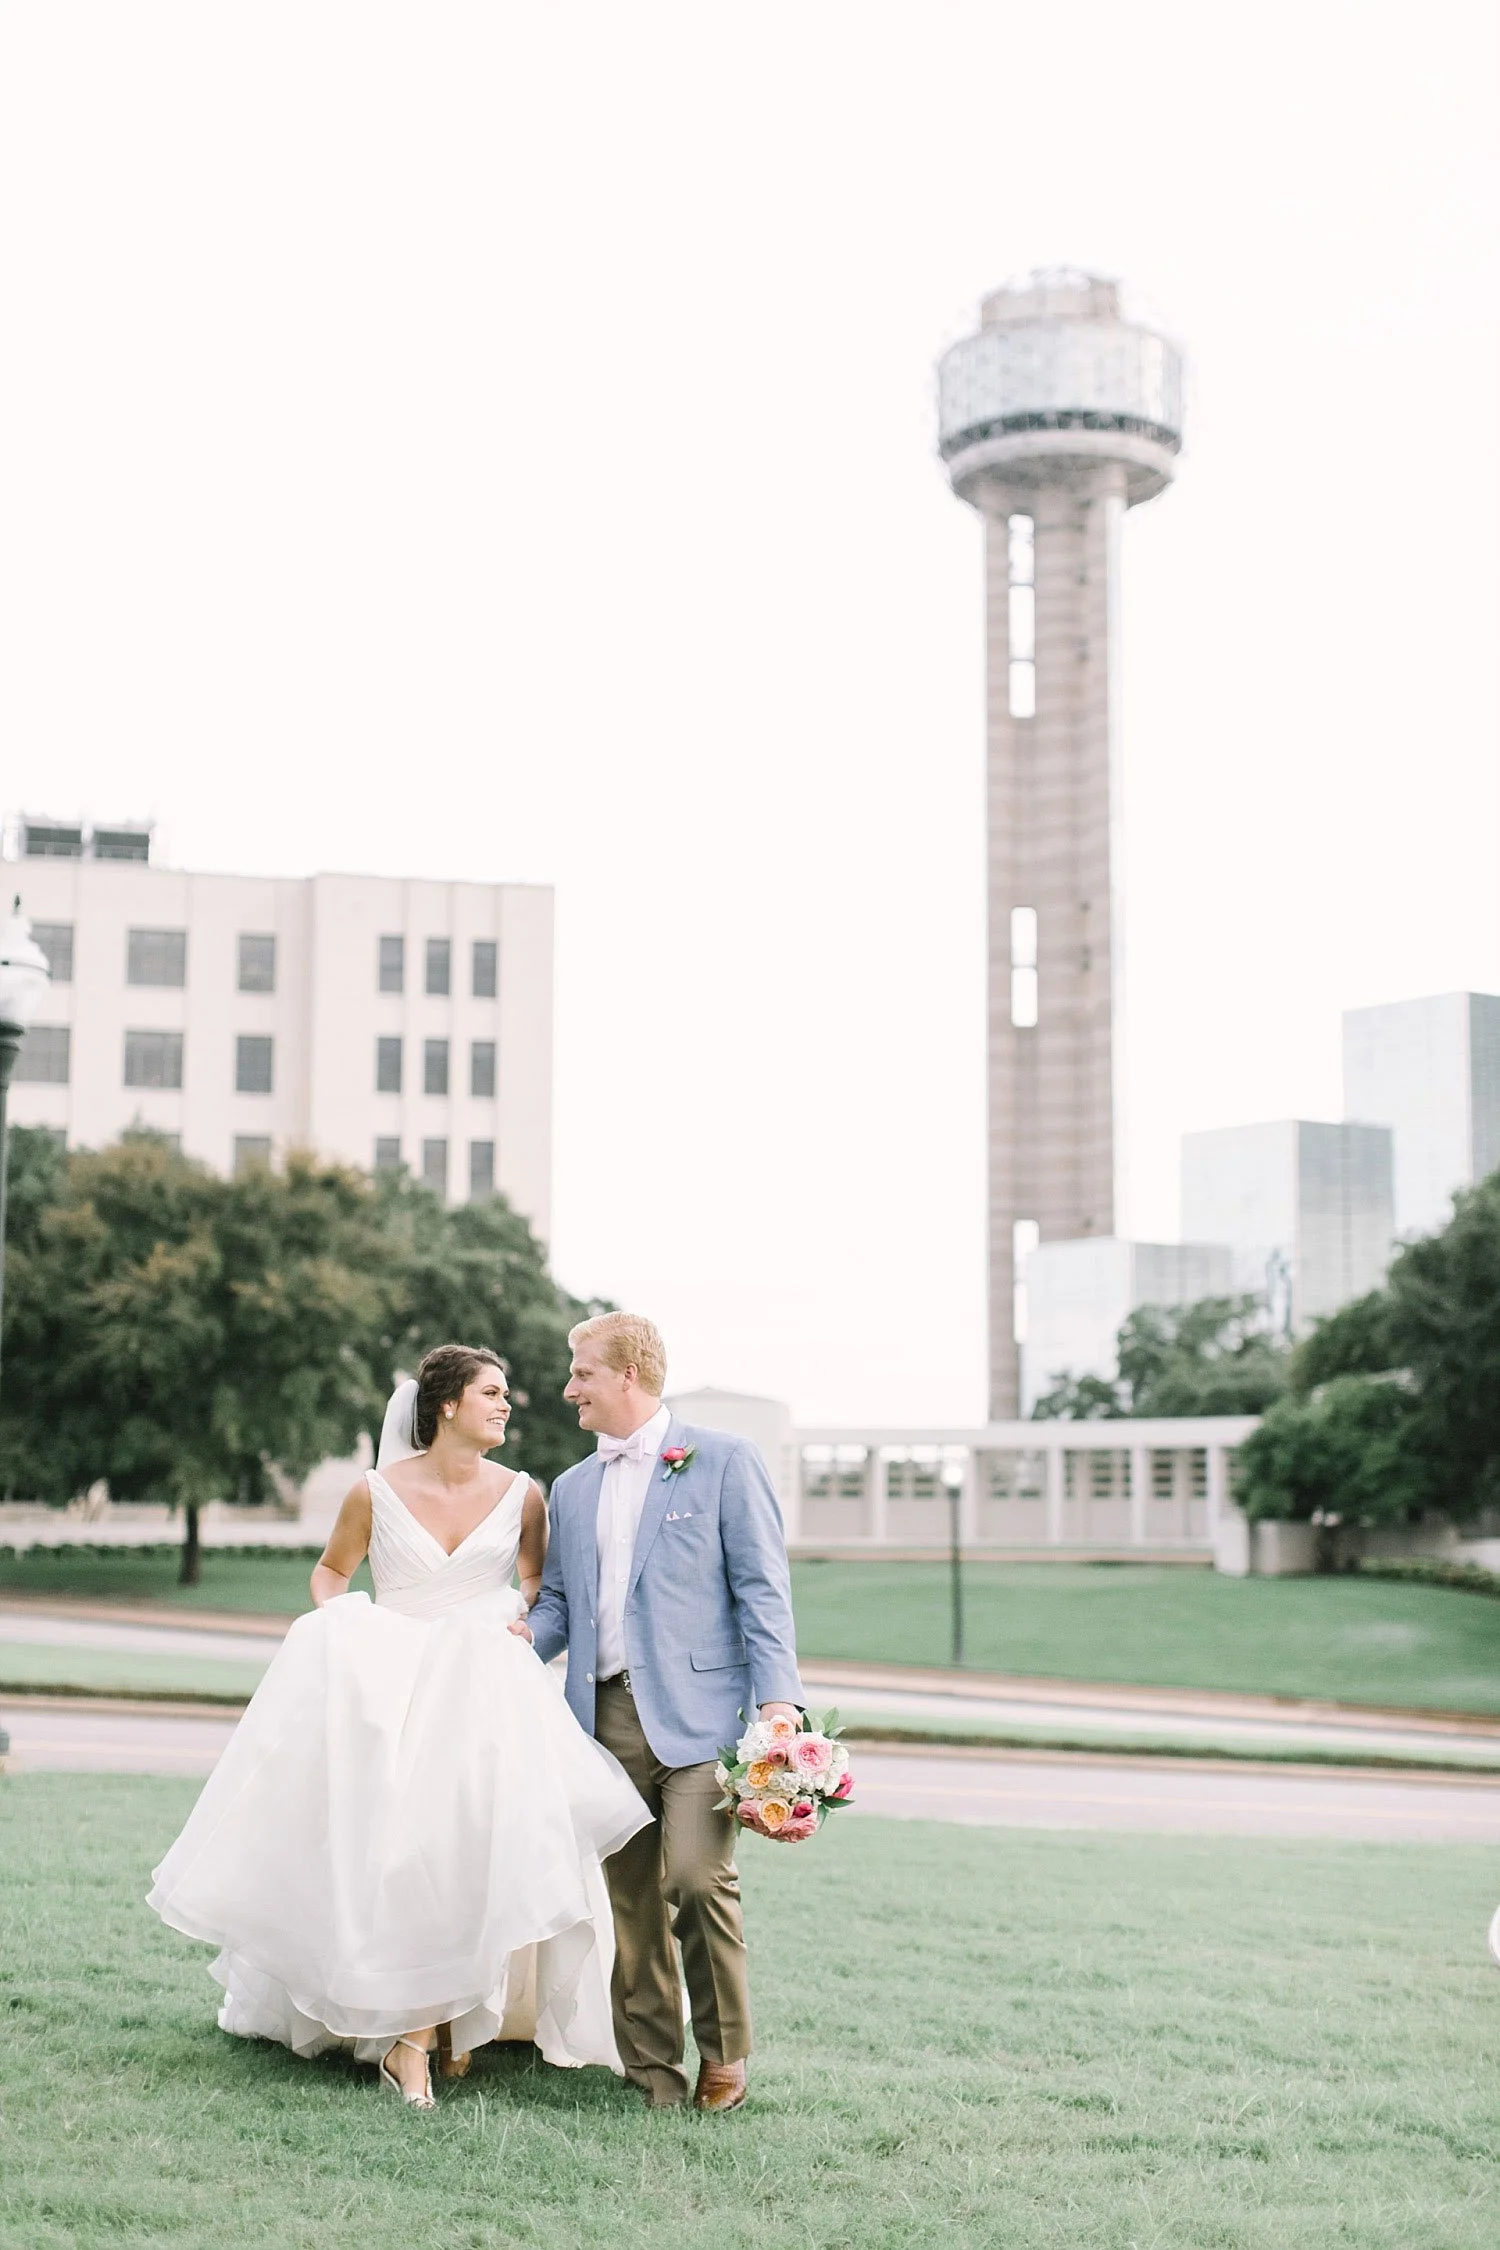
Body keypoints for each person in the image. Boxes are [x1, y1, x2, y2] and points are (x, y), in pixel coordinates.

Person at [148, 1343, 650, 2107]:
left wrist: (519, 1628)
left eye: (506, 1392)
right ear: (445, 1404)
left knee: (478, 1844)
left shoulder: (524, 1494)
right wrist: (342, 1627)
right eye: (492, 1391)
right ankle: (406, 2031)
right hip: (392, 1690)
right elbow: (330, 1575)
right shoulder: (373, 1492)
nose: (507, 1403)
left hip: (486, 1693)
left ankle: (429, 2036)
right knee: (399, 1851)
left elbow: (538, 1584)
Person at [513, 1312, 803, 2114]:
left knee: (697, 1878)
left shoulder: (725, 1461)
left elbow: (762, 1591)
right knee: (631, 1899)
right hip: (600, 1723)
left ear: (627, 1376)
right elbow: (562, 1605)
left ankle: (725, 2052)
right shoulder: (570, 1489)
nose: (569, 1388)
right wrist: (509, 1641)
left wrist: (778, 1704)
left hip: (704, 1719)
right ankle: (651, 2074)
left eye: (581, 1373)